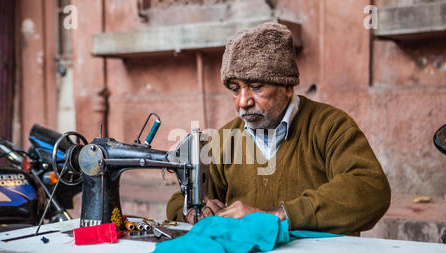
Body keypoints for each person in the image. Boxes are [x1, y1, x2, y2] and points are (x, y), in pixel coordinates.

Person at [166, 22, 391, 235]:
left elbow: (370, 190)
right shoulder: (227, 140)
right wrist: (193, 213)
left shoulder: (331, 126)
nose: (243, 101)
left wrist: (279, 216)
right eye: (236, 89)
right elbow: (179, 201)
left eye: (256, 87)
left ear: (287, 87)